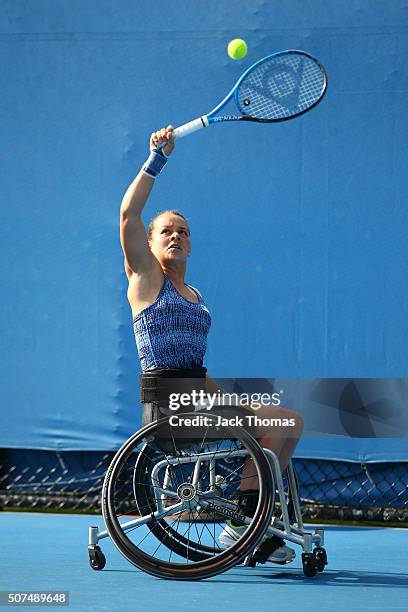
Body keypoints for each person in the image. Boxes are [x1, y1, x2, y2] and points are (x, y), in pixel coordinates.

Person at [119, 125, 304, 564]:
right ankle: (243, 524)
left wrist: (229, 401)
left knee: (288, 422)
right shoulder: (146, 280)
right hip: (167, 404)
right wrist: (156, 159)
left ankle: (244, 518)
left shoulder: (196, 297)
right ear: (148, 244)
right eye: (166, 231)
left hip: (197, 396)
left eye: (182, 231)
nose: (176, 236)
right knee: (277, 424)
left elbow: (197, 370)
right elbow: (128, 214)